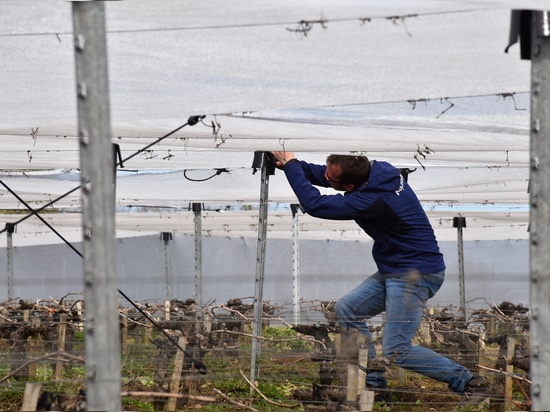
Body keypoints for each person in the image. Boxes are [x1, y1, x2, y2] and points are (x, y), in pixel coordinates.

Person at [272, 151, 490, 405]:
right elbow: (328, 174)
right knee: (348, 309)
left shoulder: (373, 200)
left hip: (415, 274)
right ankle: (374, 384)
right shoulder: (380, 171)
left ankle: (470, 382)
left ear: (351, 187)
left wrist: (292, 168)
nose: (325, 177)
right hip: (396, 268)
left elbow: (316, 205)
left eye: (331, 178)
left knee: (397, 349)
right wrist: (293, 165)